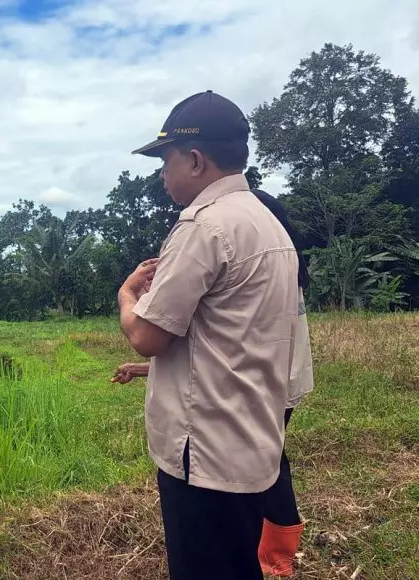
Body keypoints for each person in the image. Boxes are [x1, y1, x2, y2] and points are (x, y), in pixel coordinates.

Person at [116, 90, 300, 580]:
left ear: (195, 160)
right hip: (251, 443)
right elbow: (231, 338)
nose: (161, 173)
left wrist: (126, 296)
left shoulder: (203, 226)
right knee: (238, 564)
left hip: (206, 458)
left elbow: (149, 336)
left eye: (166, 159)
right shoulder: (266, 222)